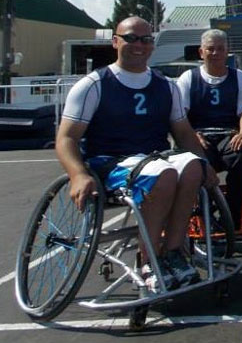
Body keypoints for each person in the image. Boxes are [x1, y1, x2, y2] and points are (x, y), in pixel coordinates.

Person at [57, 17, 217, 291]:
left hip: (153, 159)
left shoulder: (166, 86)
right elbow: (66, 138)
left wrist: (205, 164)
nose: (139, 45)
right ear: (115, 41)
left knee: (193, 167)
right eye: (131, 38)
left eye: (146, 39)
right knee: (164, 174)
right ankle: (148, 259)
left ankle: (174, 252)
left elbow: (183, 133)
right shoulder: (94, 85)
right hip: (110, 163)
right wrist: (78, 174)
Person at [177, 29, 242, 229]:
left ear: (227, 51)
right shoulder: (188, 78)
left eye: (220, 49)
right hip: (199, 136)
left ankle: (233, 217)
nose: (215, 53)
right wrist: (192, 136)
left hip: (228, 135)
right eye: (210, 49)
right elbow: (179, 115)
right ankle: (205, 216)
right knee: (193, 158)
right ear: (201, 52)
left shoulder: (238, 77)